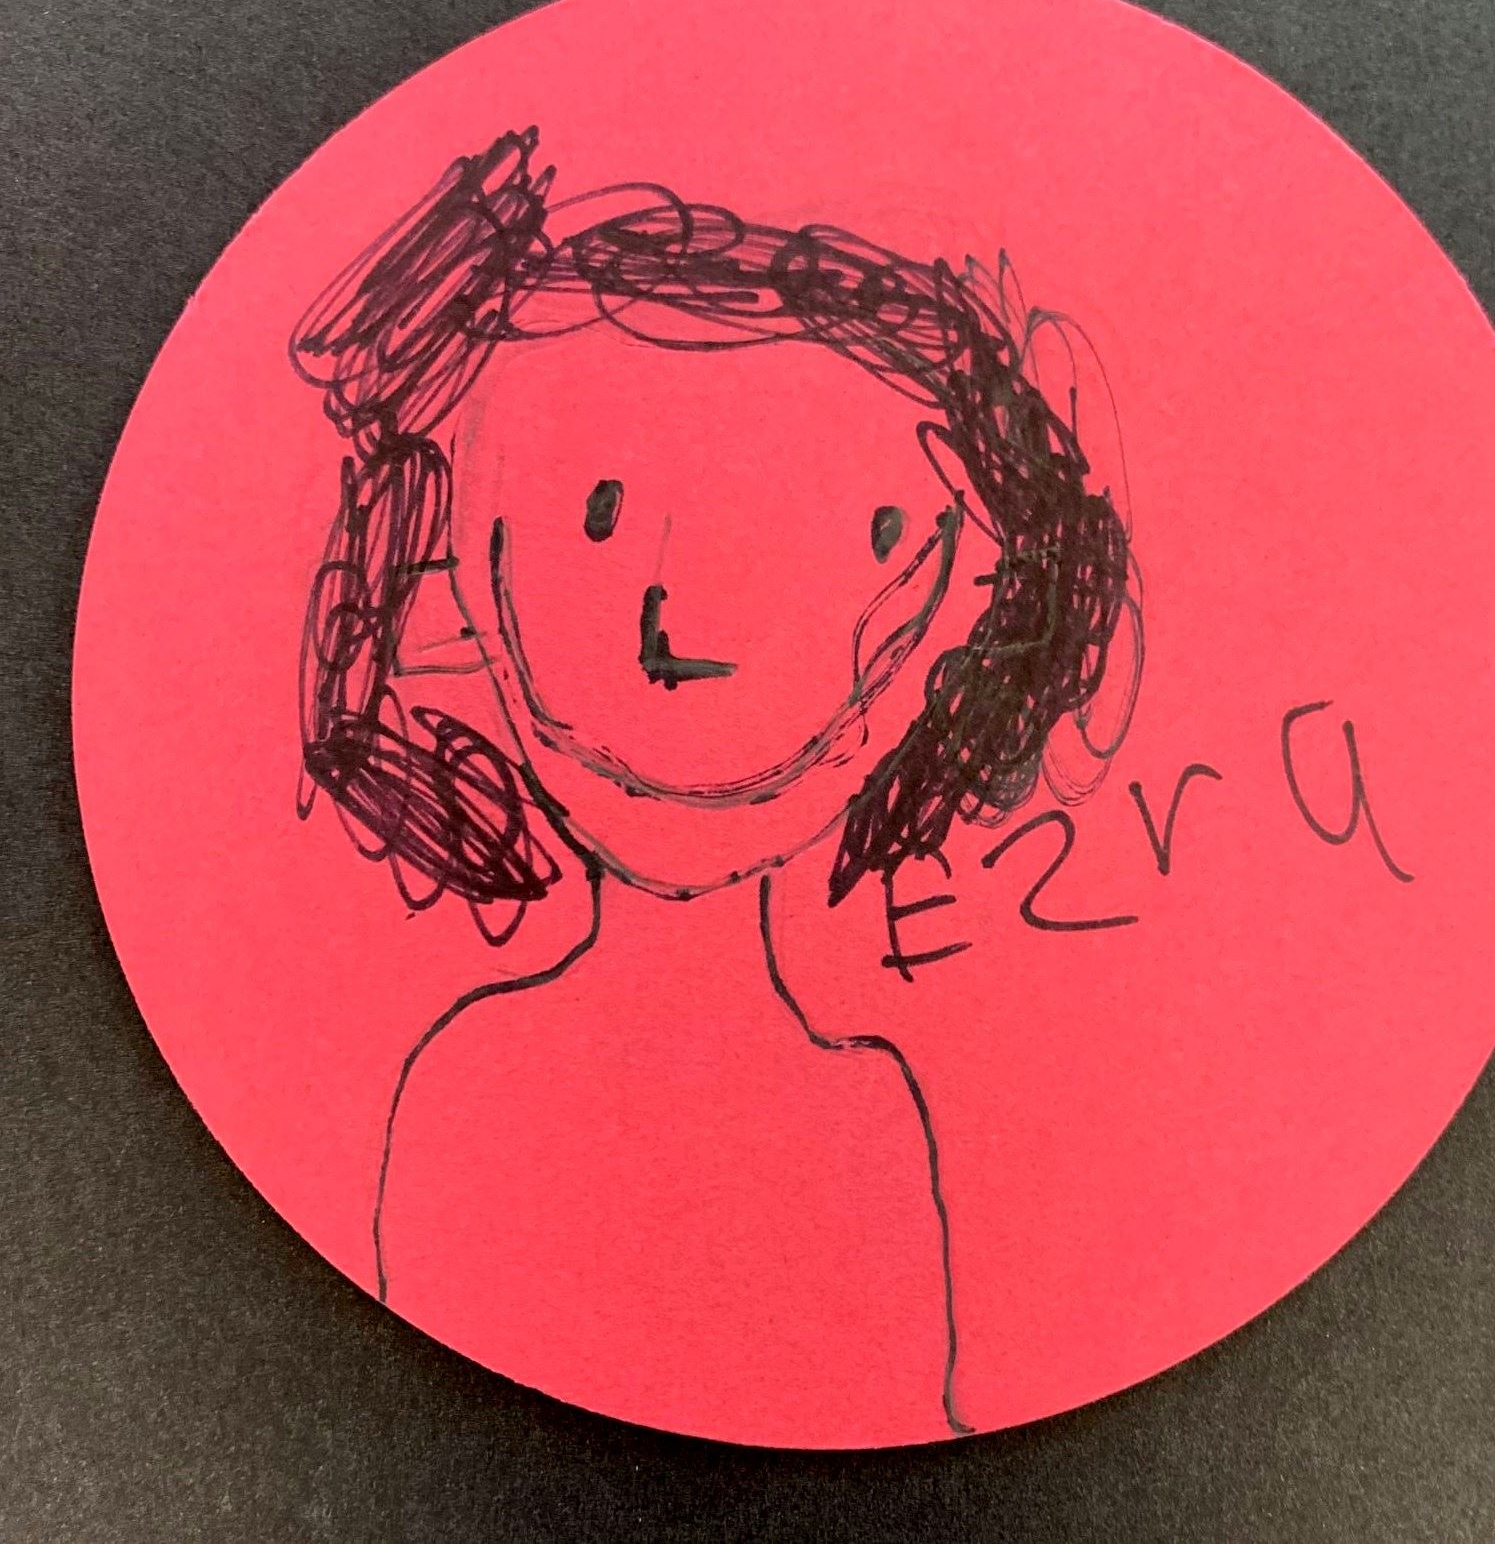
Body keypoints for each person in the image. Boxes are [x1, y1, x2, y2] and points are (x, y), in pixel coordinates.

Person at [291, 128, 1141, 1442]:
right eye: (599, 513)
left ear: (954, 600)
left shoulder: (861, 1122)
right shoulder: (478, 1094)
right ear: (459, 557)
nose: (678, 623)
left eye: (841, 534)